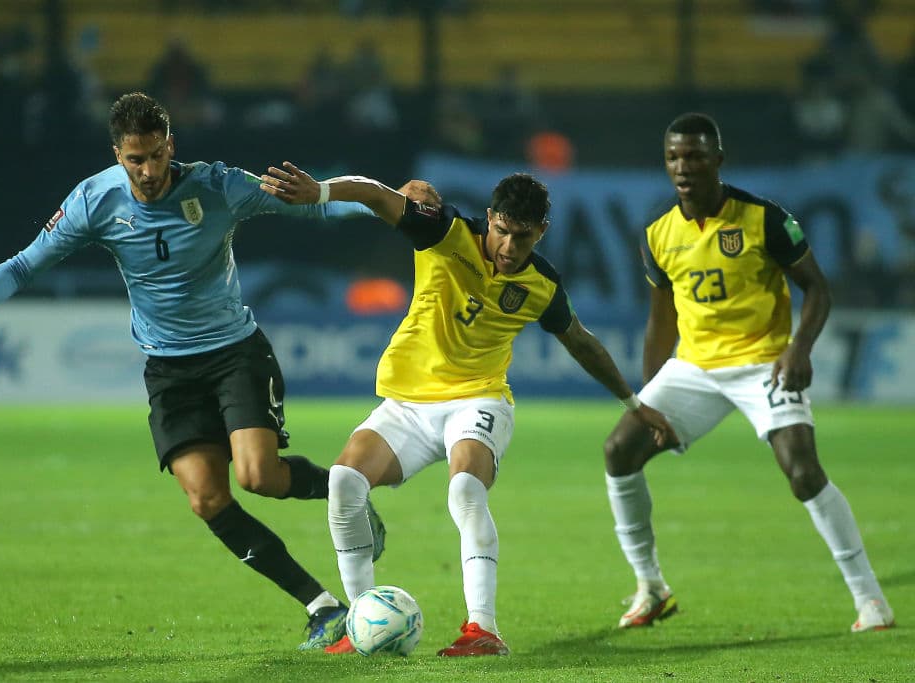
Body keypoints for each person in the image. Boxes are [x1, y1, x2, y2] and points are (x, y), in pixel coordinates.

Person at [0, 92, 442, 650]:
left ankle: (347, 495)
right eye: (135, 159)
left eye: (157, 156)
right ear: (117, 154)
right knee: (207, 499)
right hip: (168, 370)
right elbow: (24, 264)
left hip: (235, 352)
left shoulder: (217, 186)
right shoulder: (94, 200)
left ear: (171, 148)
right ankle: (322, 608)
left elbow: (312, 203)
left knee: (257, 476)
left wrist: (388, 200)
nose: (148, 170)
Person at [259, 163, 676, 656]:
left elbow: (581, 343)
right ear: (490, 217)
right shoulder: (443, 230)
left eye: (522, 237)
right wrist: (321, 192)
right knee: (344, 482)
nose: (508, 247)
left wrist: (633, 402)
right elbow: (374, 193)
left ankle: (483, 630)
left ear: (542, 232)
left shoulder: (542, 285)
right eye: (501, 231)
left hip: (479, 399)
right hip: (409, 404)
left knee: (464, 490)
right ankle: (361, 621)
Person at [603, 112, 895, 633]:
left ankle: (870, 600)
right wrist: (646, 399)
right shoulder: (657, 235)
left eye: (694, 155)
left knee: (802, 470)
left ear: (718, 159)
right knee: (618, 450)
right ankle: (651, 587)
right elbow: (659, 322)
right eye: (674, 156)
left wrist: (798, 349)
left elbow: (818, 289)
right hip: (695, 368)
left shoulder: (764, 219)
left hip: (763, 362)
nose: (683, 166)